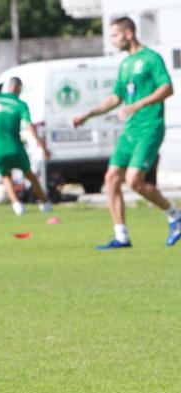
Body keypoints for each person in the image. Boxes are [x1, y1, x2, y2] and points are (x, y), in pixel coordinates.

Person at [73, 17, 179, 249]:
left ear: (128, 33)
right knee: (111, 179)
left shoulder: (151, 58)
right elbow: (116, 98)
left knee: (134, 181)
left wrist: (137, 105)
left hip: (150, 126)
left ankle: (174, 214)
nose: (112, 40)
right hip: (130, 130)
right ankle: (121, 235)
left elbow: (167, 88)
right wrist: (88, 114)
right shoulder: (125, 64)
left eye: (115, 35)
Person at [0, 77, 52, 215]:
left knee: (6, 176)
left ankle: (17, 206)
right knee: (29, 174)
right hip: (14, 146)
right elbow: (29, 125)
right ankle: (45, 203)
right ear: (18, 88)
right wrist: (41, 145)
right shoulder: (20, 104)